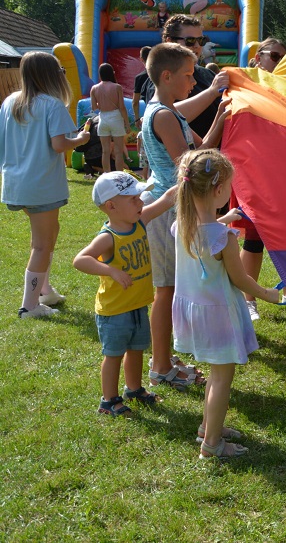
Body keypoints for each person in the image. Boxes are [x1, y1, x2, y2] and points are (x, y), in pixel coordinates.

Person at [171, 149, 283, 459]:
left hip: (194, 313)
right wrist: (270, 294)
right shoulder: (224, 239)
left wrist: (225, 219)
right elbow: (242, 281)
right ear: (219, 190)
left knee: (214, 373)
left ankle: (209, 427)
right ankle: (212, 446)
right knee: (221, 378)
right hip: (218, 316)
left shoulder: (181, 225)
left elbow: (206, 230)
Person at [140, 43, 229, 389]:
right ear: (167, 76)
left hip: (175, 206)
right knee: (165, 289)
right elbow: (187, 168)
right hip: (165, 208)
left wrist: (221, 114)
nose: (194, 81)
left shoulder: (172, 112)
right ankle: (160, 366)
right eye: (188, 75)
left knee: (172, 287)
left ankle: (164, 356)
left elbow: (202, 146)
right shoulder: (162, 115)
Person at [73, 172, 177, 416]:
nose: (141, 203)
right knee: (113, 355)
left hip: (138, 304)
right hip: (114, 311)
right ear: (111, 206)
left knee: (137, 349)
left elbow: (165, 201)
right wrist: (110, 270)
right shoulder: (108, 237)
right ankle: (108, 401)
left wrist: (183, 180)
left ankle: (134, 389)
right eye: (134, 199)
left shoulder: (139, 221)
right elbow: (80, 260)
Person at [1, 52, 91, 318]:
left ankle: (44, 290)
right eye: (60, 69)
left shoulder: (9, 102)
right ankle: (29, 305)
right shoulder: (52, 105)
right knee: (42, 244)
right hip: (41, 184)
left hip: (17, 184)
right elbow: (59, 145)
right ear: (51, 74)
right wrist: (82, 139)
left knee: (47, 237)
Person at [235, 36, 286, 319]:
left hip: (283, 172)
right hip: (253, 173)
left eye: (284, 56)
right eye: (274, 56)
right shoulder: (243, 84)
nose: (280, 62)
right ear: (258, 57)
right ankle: (248, 299)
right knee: (254, 238)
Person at [139, 14, 223, 140]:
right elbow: (163, 117)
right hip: (183, 158)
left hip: (211, 156)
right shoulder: (159, 80)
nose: (196, 46)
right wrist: (211, 92)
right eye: (189, 40)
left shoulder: (208, 74)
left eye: (201, 40)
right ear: (169, 42)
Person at [90, 63, 131, 173]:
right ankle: (118, 175)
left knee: (105, 151)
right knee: (118, 151)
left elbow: (94, 107)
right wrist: (127, 124)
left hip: (102, 118)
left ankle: (106, 174)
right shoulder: (117, 87)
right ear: (111, 73)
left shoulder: (94, 88)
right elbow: (122, 107)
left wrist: (103, 104)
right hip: (116, 117)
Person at [132, 46, 153, 128]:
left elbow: (135, 102)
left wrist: (137, 119)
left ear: (141, 59)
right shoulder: (162, 73)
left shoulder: (140, 77)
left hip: (150, 111)